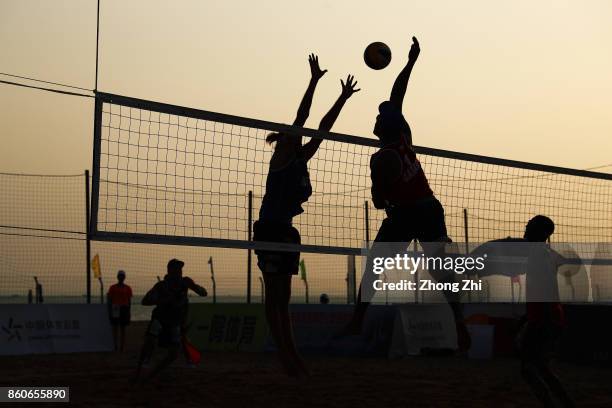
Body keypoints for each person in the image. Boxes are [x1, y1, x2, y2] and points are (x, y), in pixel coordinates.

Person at [341, 37, 469, 349]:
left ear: (384, 125)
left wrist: (379, 191)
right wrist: (410, 63)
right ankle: (460, 326)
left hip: (409, 213)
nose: (376, 117)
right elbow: (397, 95)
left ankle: (358, 321)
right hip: (428, 208)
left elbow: (379, 202)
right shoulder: (402, 136)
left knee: (375, 266)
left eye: (379, 116)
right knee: (438, 272)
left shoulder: (383, 157)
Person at [254, 54, 359, 377]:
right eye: (290, 134)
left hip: (286, 231)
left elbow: (323, 128)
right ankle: (286, 355)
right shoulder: (283, 155)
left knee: (283, 298)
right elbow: (303, 116)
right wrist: (313, 81)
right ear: (283, 141)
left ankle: (291, 353)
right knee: (273, 297)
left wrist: (342, 97)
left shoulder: (302, 156)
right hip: (270, 230)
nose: (295, 135)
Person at [472, 215, 576, 407]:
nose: (525, 228)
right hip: (548, 318)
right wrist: (525, 321)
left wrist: (478, 261)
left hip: (546, 319)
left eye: (530, 226)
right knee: (539, 367)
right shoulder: (543, 253)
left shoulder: (537, 253)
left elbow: (508, 252)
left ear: (541, 232)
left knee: (529, 368)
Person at [134, 259, 207, 382]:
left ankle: (151, 375)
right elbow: (145, 301)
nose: (180, 272)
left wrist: (195, 287)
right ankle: (140, 368)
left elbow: (203, 293)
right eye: (177, 269)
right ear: (170, 271)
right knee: (149, 341)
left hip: (174, 322)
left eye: (180, 269)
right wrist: (162, 300)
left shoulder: (185, 283)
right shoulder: (161, 286)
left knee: (173, 354)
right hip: (160, 318)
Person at [107, 270, 133, 352]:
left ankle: (122, 346)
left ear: (124, 277)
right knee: (115, 328)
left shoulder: (128, 288)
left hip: (124, 308)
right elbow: (110, 300)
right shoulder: (112, 287)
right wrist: (110, 311)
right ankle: (115, 345)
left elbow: (129, 301)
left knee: (122, 328)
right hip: (115, 308)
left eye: (122, 276)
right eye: (120, 276)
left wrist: (129, 311)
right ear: (118, 277)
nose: (121, 277)